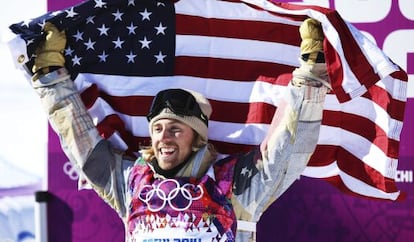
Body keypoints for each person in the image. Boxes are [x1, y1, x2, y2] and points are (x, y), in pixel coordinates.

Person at [29, 18, 329, 242]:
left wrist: (310, 76)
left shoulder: (234, 184)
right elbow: (80, 141)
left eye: (175, 129)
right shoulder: (131, 182)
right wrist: (50, 77)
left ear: (198, 137)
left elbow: (288, 148)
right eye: (158, 128)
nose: (163, 137)